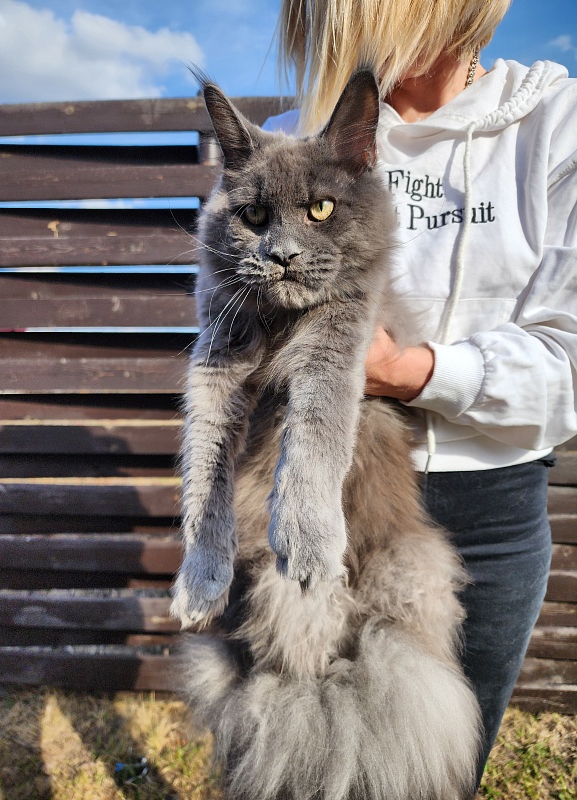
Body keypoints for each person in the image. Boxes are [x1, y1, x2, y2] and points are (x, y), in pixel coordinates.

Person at [263, 0, 577, 791]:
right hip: (316, 490)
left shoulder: (556, 125)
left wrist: (407, 372)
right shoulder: (296, 138)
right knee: (300, 760)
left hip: (489, 513)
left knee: (439, 771)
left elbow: (566, 356)